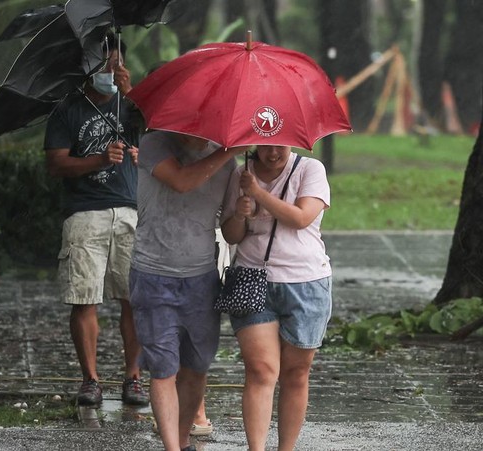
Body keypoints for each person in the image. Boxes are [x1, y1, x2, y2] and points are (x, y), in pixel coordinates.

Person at [44, 32, 148, 407]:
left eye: (116, 64)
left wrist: (132, 93)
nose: (110, 71)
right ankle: (90, 379)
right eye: (103, 65)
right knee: (83, 297)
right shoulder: (68, 109)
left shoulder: (132, 107)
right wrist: (100, 160)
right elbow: (55, 163)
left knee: (133, 299)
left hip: (130, 209)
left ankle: (133, 378)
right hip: (84, 212)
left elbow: (160, 139)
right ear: (87, 69)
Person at [129, 130, 246, 450]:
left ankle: (181, 440)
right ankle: (171, 446)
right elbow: (180, 180)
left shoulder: (229, 163)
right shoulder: (154, 144)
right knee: (163, 368)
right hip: (153, 275)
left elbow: (230, 232)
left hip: (201, 279)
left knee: (197, 368)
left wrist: (244, 210)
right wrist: (226, 152)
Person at [220, 145, 333, 451]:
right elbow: (231, 235)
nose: (272, 154)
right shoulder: (239, 174)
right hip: (251, 277)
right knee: (261, 370)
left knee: (295, 373)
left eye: (280, 147)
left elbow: (300, 218)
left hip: (305, 283)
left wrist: (258, 193)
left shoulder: (311, 170)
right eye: (266, 146)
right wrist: (241, 215)